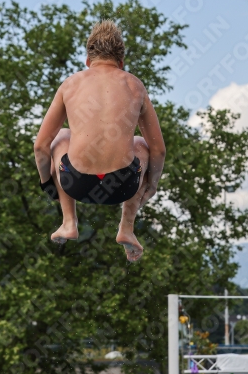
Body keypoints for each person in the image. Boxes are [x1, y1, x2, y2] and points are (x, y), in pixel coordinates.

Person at [34, 20, 166, 262]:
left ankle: (68, 221)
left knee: (62, 136)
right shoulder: (135, 86)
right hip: (124, 185)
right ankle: (126, 227)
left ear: (88, 60)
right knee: (142, 145)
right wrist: (152, 185)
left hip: (76, 182)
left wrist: (47, 183)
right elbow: (159, 150)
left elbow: (41, 147)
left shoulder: (71, 84)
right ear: (121, 62)